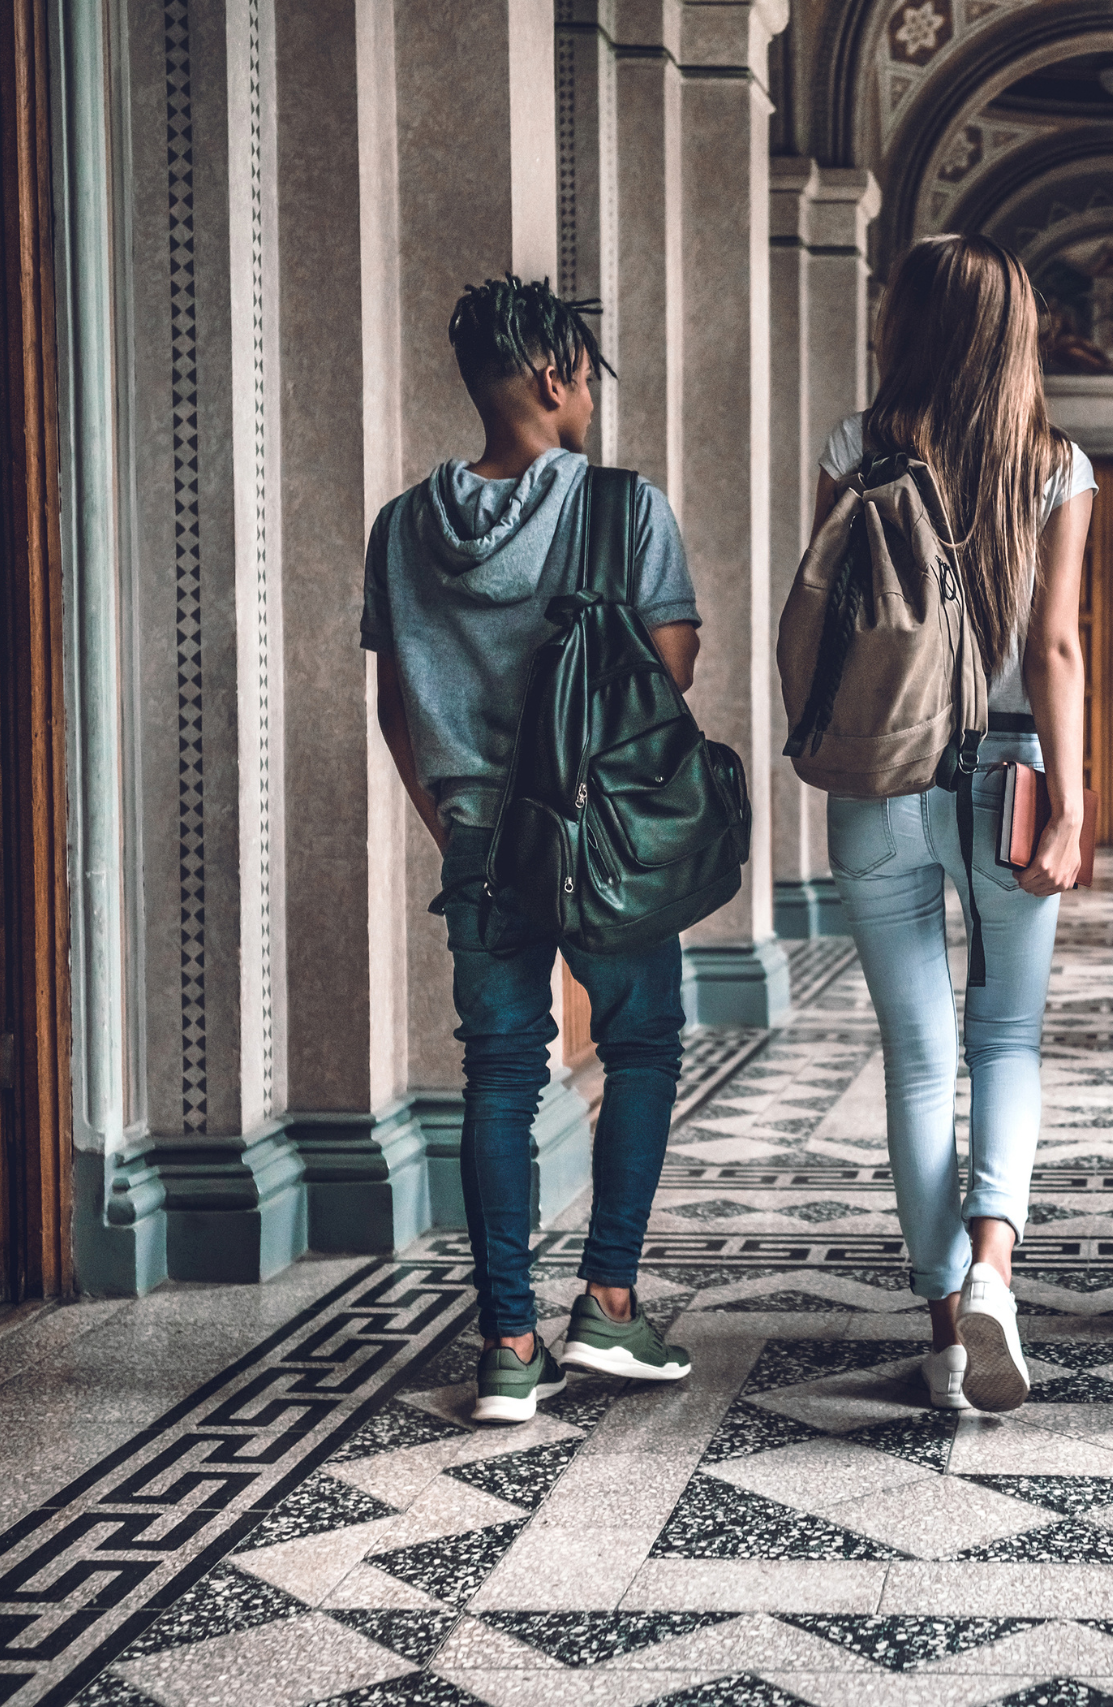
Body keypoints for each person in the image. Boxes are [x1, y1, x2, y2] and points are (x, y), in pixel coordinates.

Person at [363, 277, 698, 1425]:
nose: (592, 399)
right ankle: (607, 1302)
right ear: (556, 375)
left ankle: (508, 1346)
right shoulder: (621, 505)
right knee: (642, 1040)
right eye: (587, 377)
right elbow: (670, 676)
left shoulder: (404, 526)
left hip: (478, 839)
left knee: (501, 1075)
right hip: (605, 835)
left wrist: (454, 821)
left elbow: (397, 706)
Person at [814, 235, 1095, 1414]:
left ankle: (943, 1328)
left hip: (880, 773)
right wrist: (1077, 806)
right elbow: (1058, 648)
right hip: (1010, 771)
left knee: (920, 1059)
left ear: (910, 324)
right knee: (1007, 1043)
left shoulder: (852, 447)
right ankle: (994, 1268)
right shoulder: (1056, 465)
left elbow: (828, 610)